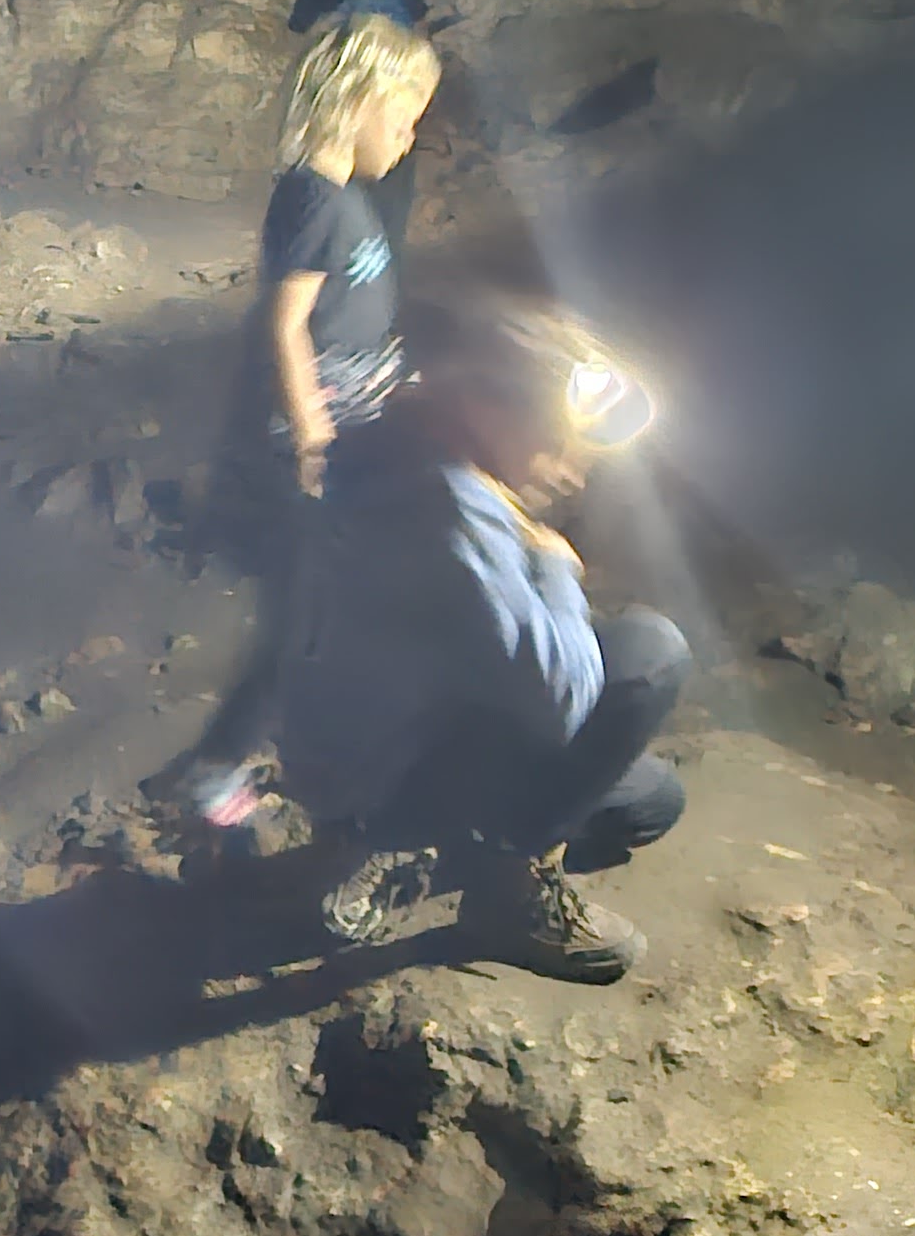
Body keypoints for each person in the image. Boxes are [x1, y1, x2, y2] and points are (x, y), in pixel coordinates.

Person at [272, 299, 684, 985]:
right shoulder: (453, 515)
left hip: (372, 739)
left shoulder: (402, 439)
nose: (572, 468)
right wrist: (551, 563)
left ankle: (426, 840)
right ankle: (500, 892)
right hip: (384, 777)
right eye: (557, 441)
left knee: (652, 801)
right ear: (494, 413)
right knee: (650, 655)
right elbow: (563, 697)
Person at [162, 10, 440, 825]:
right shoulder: (314, 198)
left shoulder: (340, 195)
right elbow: (286, 326)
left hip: (366, 422)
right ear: (357, 101)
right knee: (309, 619)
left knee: (345, 605)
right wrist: (314, 439)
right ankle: (217, 772)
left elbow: (345, 315)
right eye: (405, 119)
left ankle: (326, 746)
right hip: (334, 444)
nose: (410, 139)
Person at [283, 0, 447, 249]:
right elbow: (422, 53)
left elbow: (303, 59)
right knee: (387, 227)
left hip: (335, 127)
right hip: (392, 123)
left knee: (331, 227)